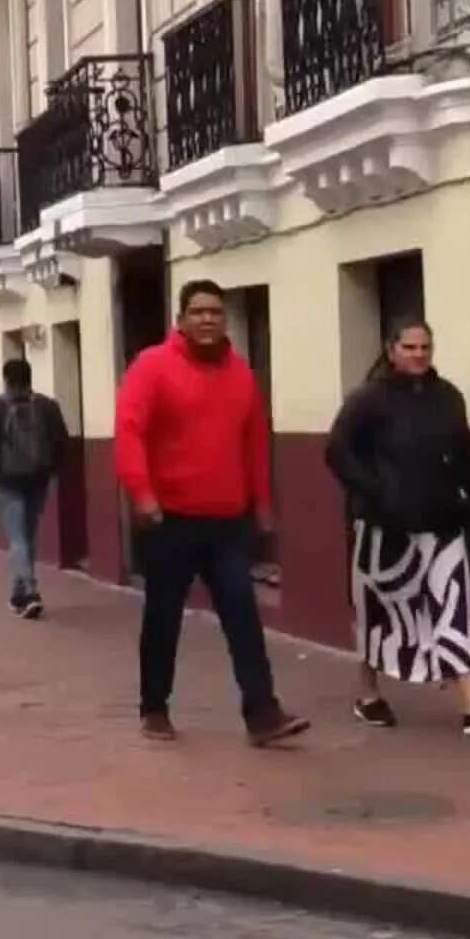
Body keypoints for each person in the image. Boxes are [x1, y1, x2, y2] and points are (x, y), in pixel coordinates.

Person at [114, 279, 309, 746]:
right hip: (170, 520)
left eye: (215, 312)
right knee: (163, 617)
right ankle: (154, 707)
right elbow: (129, 431)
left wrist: (262, 507)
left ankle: (262, 713)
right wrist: (142, 493)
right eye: (198, 311)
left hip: (227, 522)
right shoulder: (152, 367)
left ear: (225, 321)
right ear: (179, 320)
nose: (207, 319)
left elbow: (255, 445)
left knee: (243, 614)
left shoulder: (241, 375)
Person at [326, 321, 470, 738]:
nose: (418, 354)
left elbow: (466, 456)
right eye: (409, 346)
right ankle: (369, 696)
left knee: (455, 609)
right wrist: (375, 494)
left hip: (443, 522)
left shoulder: (448, 398)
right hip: (383, 529)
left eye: (425, 346)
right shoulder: (368, 400)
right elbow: (337, 452)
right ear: (391, 350)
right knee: (378, 612)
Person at [0, 358, 69, 619]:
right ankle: (18, 595)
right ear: (30, 377)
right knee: (28, 535)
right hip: (37, 480)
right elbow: (62, 441)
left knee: (17, 538)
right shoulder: (47, 407)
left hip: (7, 481)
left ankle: (29, 591)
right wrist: (49, 471)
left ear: (6, 379)